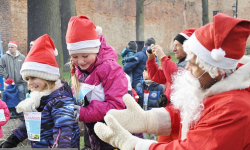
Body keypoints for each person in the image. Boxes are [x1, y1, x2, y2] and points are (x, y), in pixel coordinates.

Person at [94, 13, 250, 150]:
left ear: (215, 71)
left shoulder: (233, 109)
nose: (187, 68)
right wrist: (148, 120)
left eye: (194, 64)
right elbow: (192, 113)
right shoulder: (214, 85)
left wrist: (135, 145)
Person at [0, 34, 80, 148]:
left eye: (33, 78)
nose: (29, 83)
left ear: (47, 77)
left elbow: (63, 131)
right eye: (27, 79)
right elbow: (30, 124)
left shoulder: (60, 100)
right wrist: (13, 139)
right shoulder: (37, 98)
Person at [66, 16, 128, 150]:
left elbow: (116, 105)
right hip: (97, 133)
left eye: (85, 56)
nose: (80, 61)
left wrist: (84, 113)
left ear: (95, 49)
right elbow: (81, 92)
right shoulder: (82, 68)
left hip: (118, 134)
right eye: (75, 57)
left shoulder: (110, 69)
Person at [146, 28, 196, 143]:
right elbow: (156, 76)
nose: (174, 49)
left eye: (177, 45)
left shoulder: (192, 65)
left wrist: (163, 57)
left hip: (180, 117)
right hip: (169, 115)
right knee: (162, 144)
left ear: (187, 47)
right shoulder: (177, 65)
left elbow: (174, 77)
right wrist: (151, 59)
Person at [136, 66, 164, 140]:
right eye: (143, 71)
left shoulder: (159, 87)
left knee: (152, 136)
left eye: (146, 71)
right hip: (142, 114)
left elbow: (162, 104)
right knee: (142, 135)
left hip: (152, 115)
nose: (143, 73)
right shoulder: (139, 86)